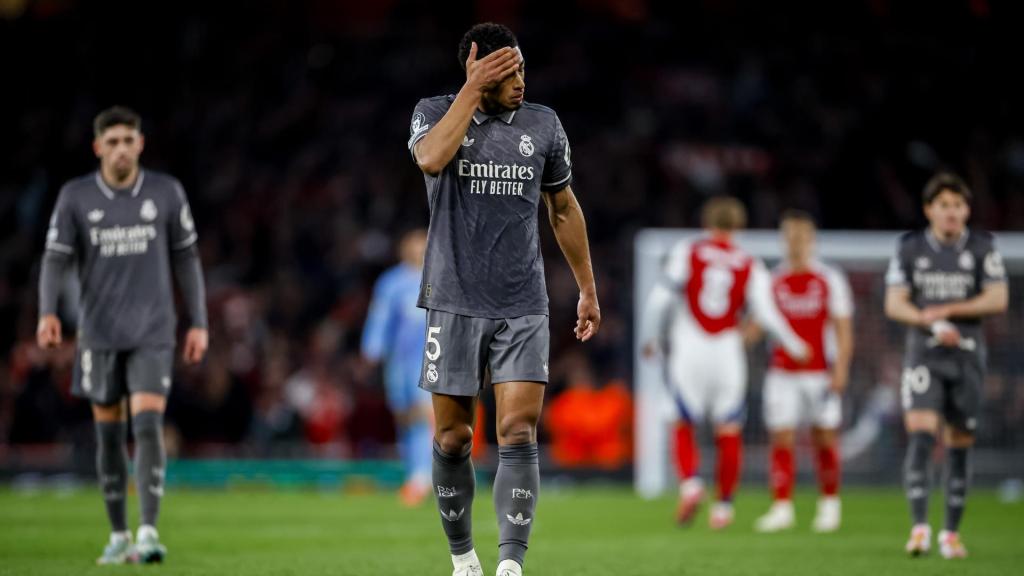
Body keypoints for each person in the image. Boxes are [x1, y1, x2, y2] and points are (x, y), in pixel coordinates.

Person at [408, 22, 600, 576]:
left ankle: (511, 565)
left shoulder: (543, 124)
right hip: (453, 298)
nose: (520, 80)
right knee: (453, 437)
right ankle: (463, 558)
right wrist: (471, 90)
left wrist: (587, 289)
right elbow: (430, 160)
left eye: (522, 69)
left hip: (522, 301)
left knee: (517, 430)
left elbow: (563, 209)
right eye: (507, 71)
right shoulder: (433, 112)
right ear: (477, 67)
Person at [37, 106, 208, 565]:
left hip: (154, 332)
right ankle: (118, 535)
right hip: (98, 335)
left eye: (127, 141)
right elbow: (54, 258)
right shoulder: (75, 197)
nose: (120, 149)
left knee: (149, 424)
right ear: (98, 147)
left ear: (140, 144)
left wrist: (198, 321)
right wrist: (47, 314)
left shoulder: (165, 192)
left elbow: (187, 259)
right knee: (109, 435)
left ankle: (149, 532)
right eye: (111, 142)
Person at [640, 196, 808, 530]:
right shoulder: (749, 262)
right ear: (739, 228)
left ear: (706, 223)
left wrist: (651, 338)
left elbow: (660, 300)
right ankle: (724, 508)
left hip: (690, 345)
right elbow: (767, 313)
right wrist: (793, 343)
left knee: (681, 421)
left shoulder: (688, 250)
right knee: (729, 429)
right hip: (728, 350)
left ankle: (690, 484)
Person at [884, 172, 1008, 559]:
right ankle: (919, 529)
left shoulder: (984, 247)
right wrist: (930, 321)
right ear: (929, 210)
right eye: (944, 206)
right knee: (921, 437)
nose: (951, 212)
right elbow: (894, 303)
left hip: (968, 356)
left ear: (967, 210)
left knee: (959, 446)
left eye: (958, 205)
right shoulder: (909, 248)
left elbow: (997, 298)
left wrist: (950, 310)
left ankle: (950, 534)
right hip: (925, 354)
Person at [751, 210, 854, 533]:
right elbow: (757, 324)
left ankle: (829, 505)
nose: (795, 243)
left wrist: (841, 370)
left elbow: (843, 329)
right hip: (782, 373)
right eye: (789, 236)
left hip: (819, 372)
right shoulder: (772, 279)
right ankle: (782, 507)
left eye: (801, 236)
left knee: (824, 437)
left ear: (812, 240)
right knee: (782, 437)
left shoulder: (829, 279)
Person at [361, 229, 433, 506]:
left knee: (423, 416)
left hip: (427, 358)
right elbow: (379, 317)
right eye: (414, 246)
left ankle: (422, 477)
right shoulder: (391, 283)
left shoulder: (438, 277)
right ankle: (414, 473)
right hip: (397, 363)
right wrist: (372, 349)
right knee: (403, 417)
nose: (419, 251)